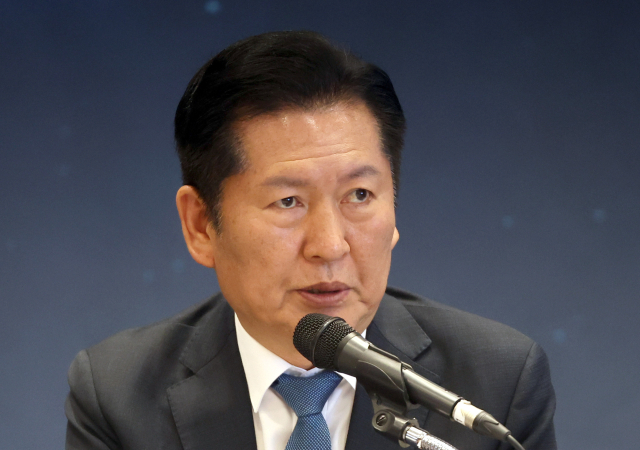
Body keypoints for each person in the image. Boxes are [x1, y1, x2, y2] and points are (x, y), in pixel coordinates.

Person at [65, 31, 556, 450]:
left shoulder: (496, 384)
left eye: (359, 195)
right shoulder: (119, 394)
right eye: (288, 202)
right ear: (200, 225)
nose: (330, 245)